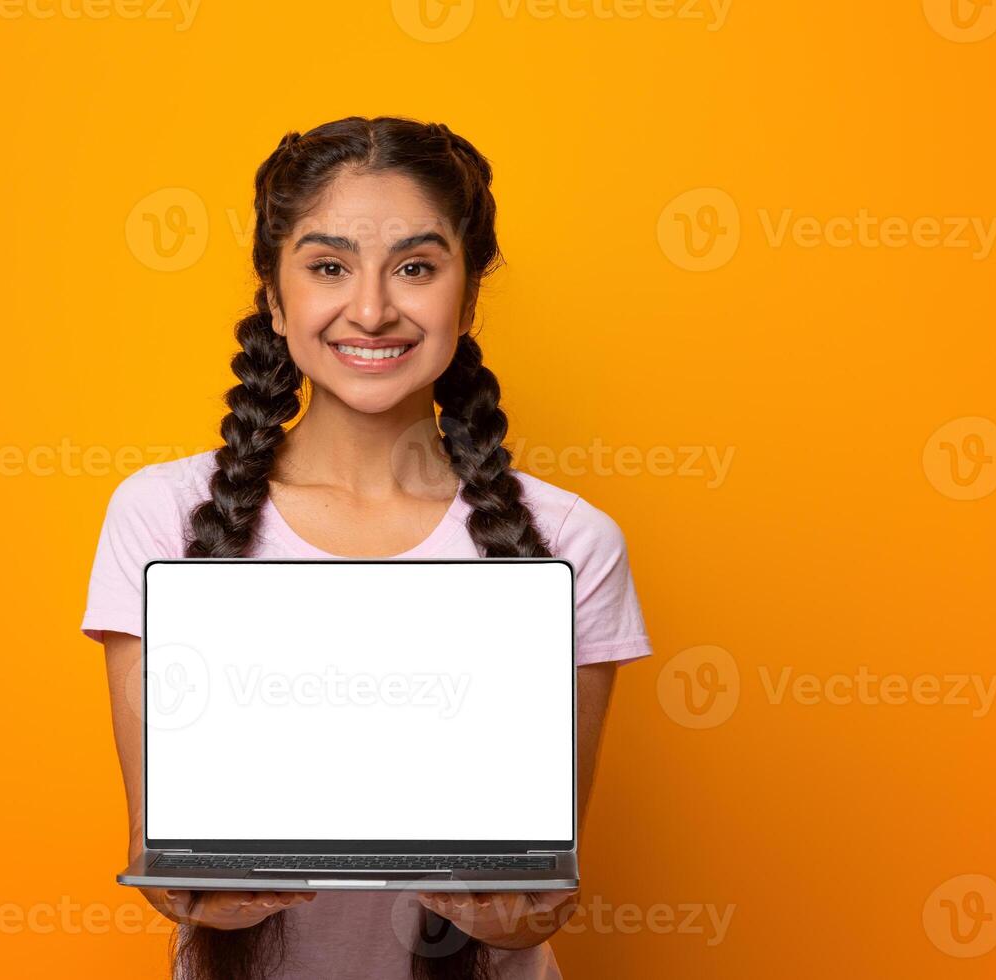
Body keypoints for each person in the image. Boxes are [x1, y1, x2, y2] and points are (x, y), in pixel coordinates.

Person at [82, 115, 653, 980]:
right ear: (275, 299)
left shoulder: (573, 541)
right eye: (328, 267)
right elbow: (156, 844)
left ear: (466, 298)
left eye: (416, 268)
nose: (374, 308)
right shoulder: (159, 515)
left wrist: (512, 918)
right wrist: (189, 883)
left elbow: (545, 884)